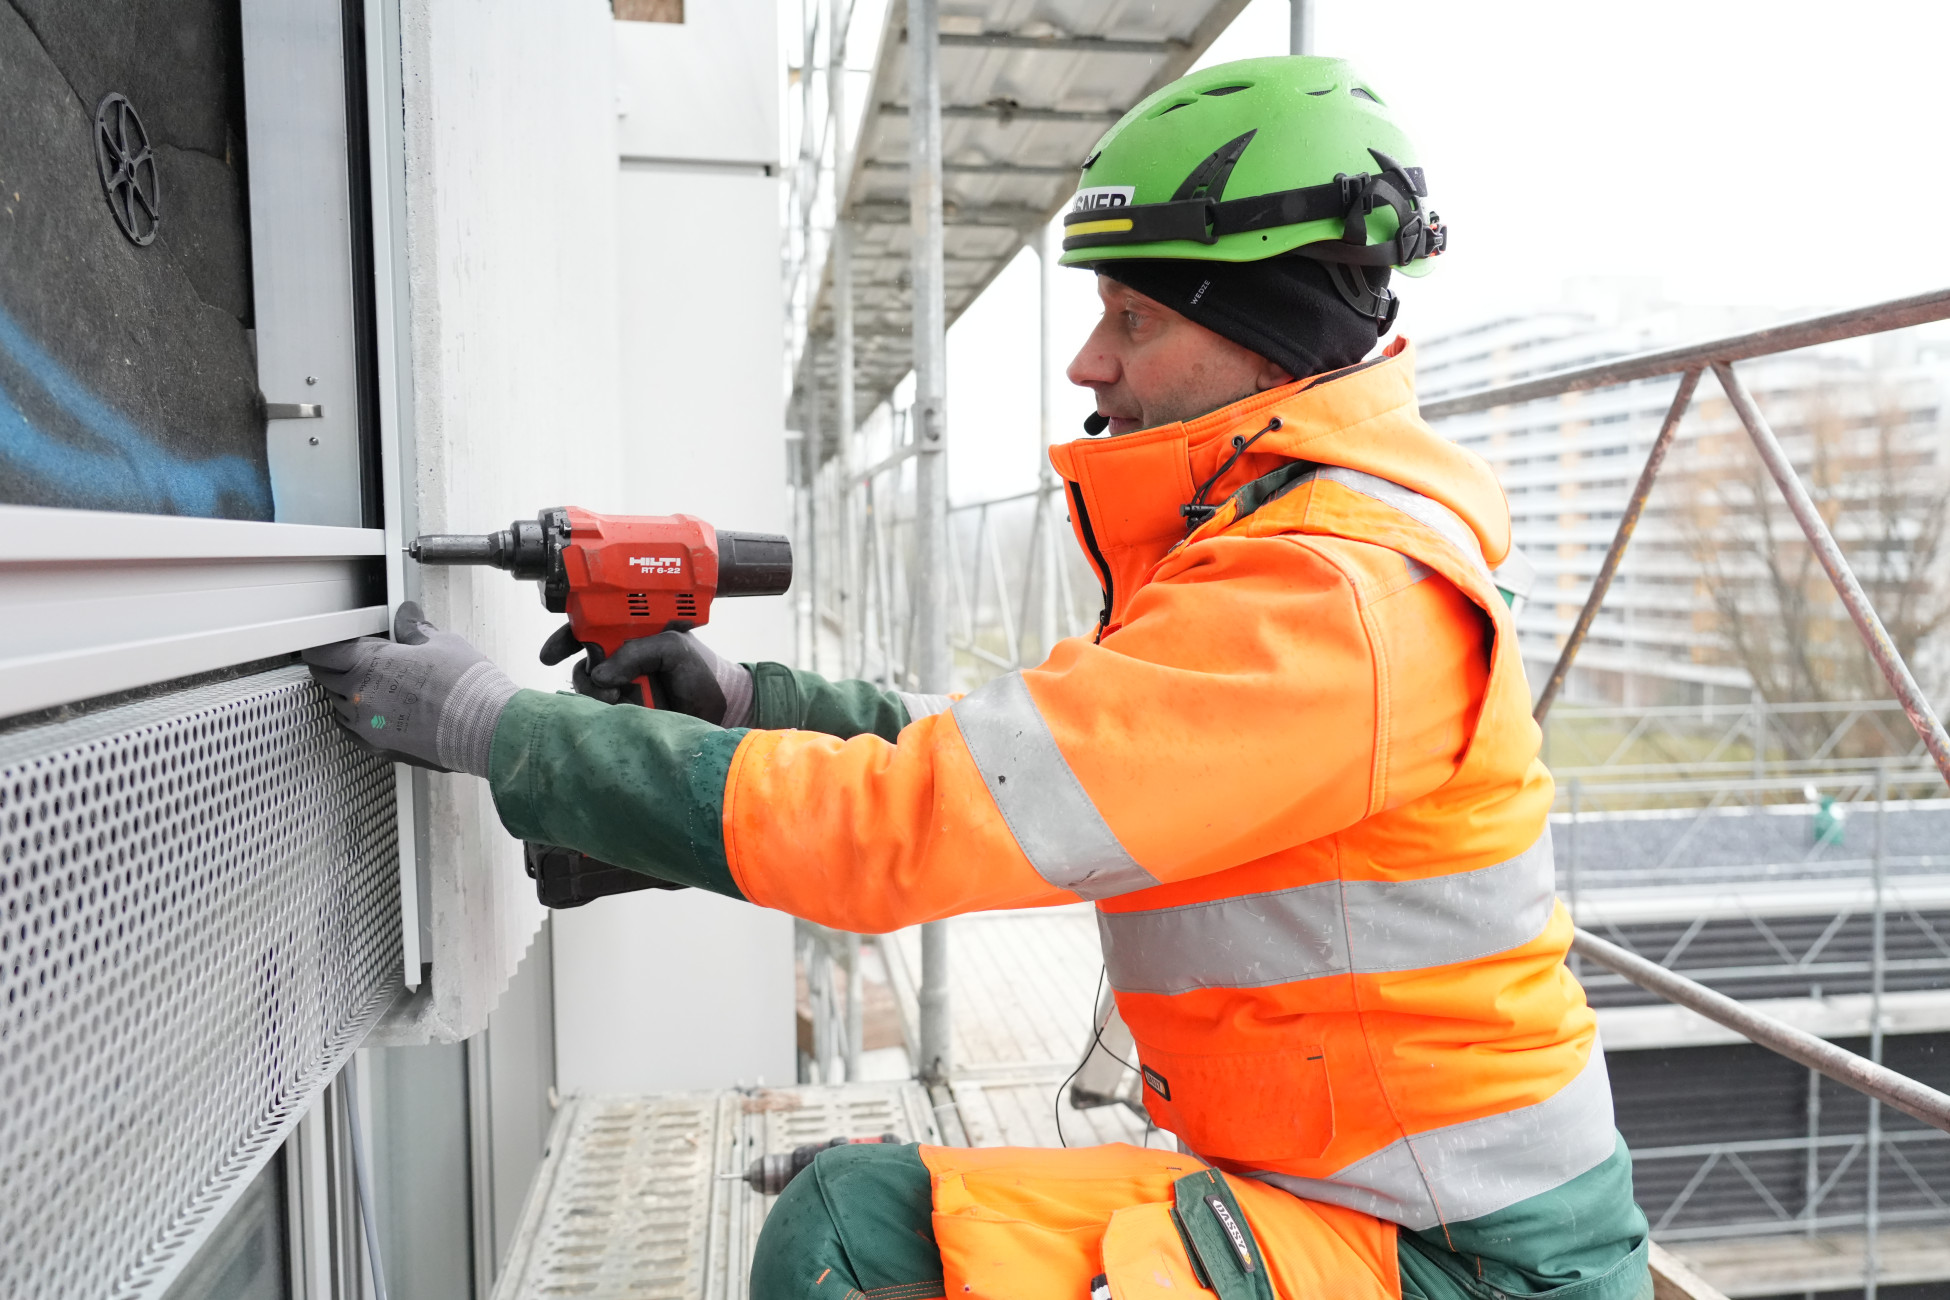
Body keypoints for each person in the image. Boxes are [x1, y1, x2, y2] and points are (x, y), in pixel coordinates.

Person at [308, 55, 1649, 1300]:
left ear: (1268, 341)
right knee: (881, 1215)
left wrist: (501, 734)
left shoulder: (1325, 605)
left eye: (1133, 317)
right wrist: (754, 706)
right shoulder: (1275, 558)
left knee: (847, 1234)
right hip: (1350, 1194)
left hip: (1455, 1256)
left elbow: (910, 830)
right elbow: (1025, 756)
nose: (1089, 361)